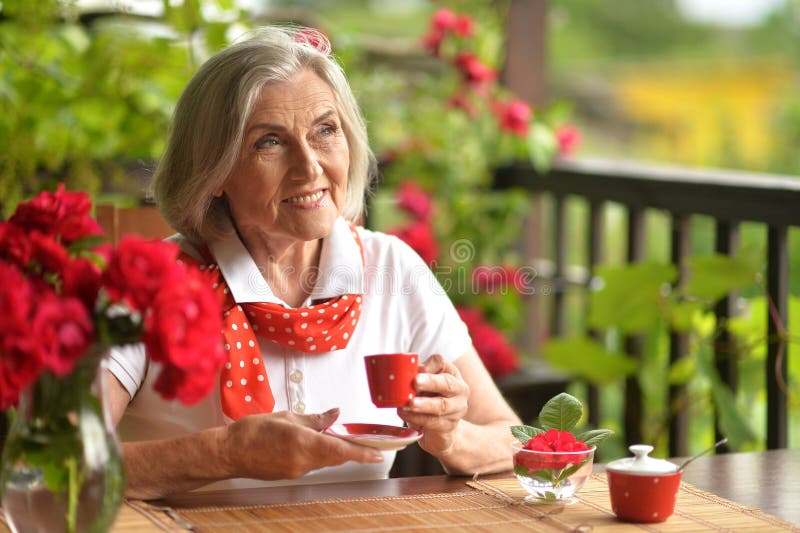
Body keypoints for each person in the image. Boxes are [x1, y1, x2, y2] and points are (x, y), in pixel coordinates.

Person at [106, 26, 521, 500]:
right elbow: (57, 465)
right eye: (269, 142)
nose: (310, 167)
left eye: (325, 130)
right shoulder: (147, 284)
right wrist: (225, 454)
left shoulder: (391, 267)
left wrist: (452, 438)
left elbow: (510, 435)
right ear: (214, 170)